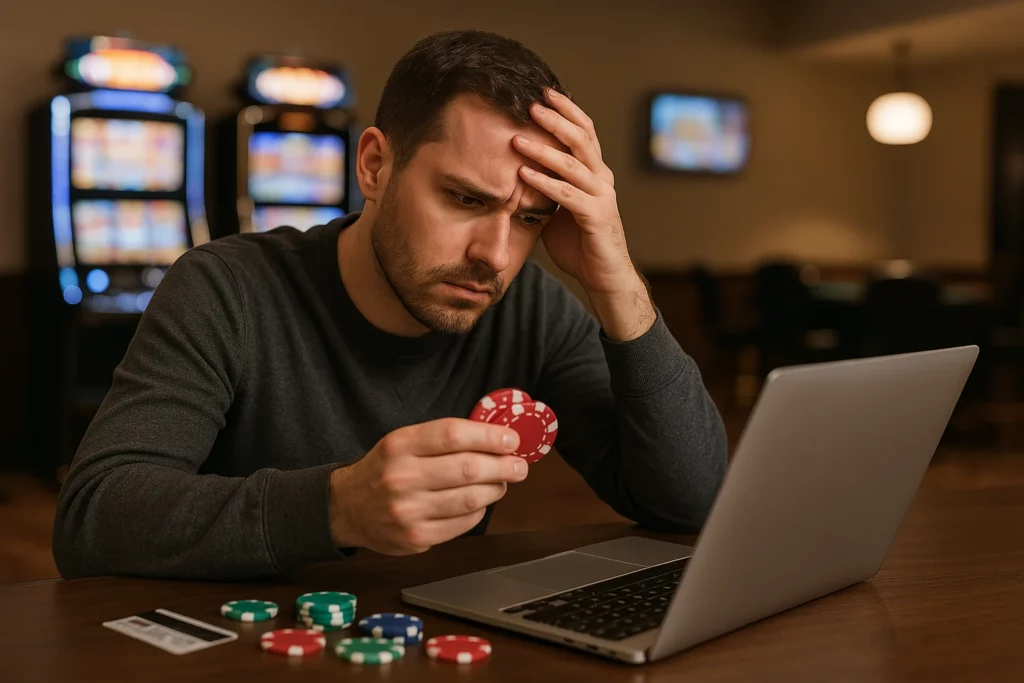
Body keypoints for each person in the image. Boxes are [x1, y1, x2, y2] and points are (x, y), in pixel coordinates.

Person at [52, 30, 728, 580]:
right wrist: (336, 507)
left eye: (528, 218)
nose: (495, 253)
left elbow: (690, 501)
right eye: (466, 199)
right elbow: (93, 517)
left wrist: (615, 279)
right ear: (375, 165)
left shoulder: (531, 310)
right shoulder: (228, 286)